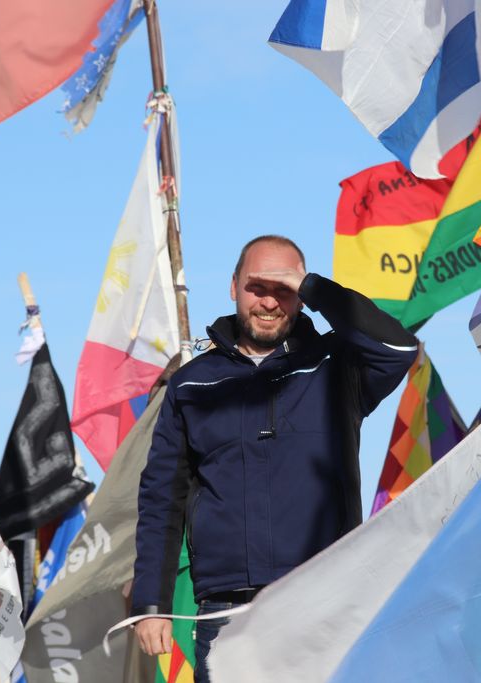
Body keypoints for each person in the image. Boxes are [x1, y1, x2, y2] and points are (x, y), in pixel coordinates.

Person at [131, 235, 418, 681]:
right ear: (233, 287)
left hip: (324, 599)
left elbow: (398, 348)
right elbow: (160, 500)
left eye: (284, 288)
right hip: (226, 613)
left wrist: (315, 288)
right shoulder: (191, 384)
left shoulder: (337, 364)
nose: (269, 302)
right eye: (257, 287)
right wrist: (151, 604)